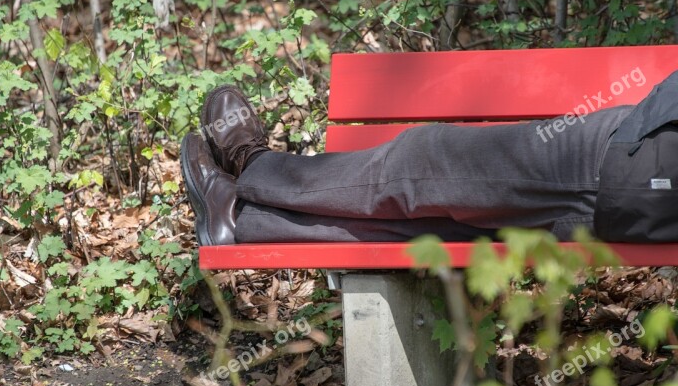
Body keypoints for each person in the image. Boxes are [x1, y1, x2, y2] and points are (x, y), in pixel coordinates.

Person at [180, 73, 678, 246]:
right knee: (450, 223)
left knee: (430, 160)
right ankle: (245, 219)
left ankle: (256, 167)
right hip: (646, 171)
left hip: (639, 163)